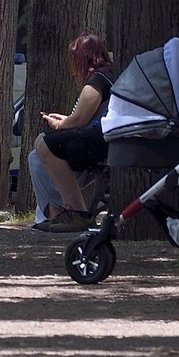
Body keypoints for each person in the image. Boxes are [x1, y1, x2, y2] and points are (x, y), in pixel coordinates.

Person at [26, 32, 114, 227]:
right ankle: (53, 213)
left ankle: (75, 212)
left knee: (44, 141)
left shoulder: (97, 80)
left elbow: (80, 120)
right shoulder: (107, 76)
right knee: (35, 157)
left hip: (100, 142)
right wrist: (66, 120)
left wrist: (60, 125)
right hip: (101, 137)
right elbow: (84, 118)